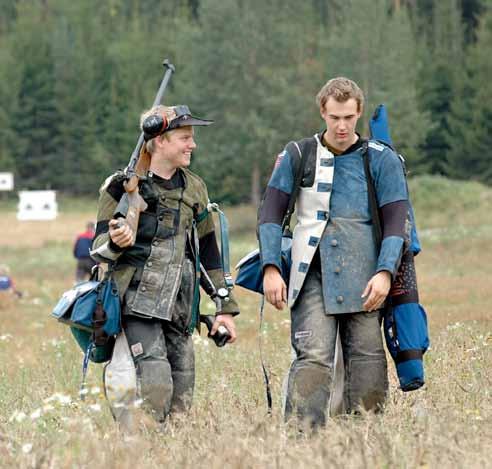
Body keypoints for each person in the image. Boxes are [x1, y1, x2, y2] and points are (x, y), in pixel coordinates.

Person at [258, 77, 410, 428]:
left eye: (348, 117)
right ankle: (301, 444)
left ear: (358, 113)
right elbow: (270, 214)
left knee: (368, 359)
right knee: (312, 358)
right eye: (334, 117)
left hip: (368, 276)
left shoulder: (382, 159)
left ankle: (365, 439)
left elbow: (397, 223)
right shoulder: (298, 154)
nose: (341, 126)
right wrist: (270, 268)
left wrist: (385, 272)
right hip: (311, 273)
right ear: (322, 113)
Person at [91, 104, 239, 424]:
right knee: (155, 382)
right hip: (135, 301)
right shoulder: (120, 186)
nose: (192, 145)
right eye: (185, 137)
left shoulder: (195, 187)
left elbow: (210, 253)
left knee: (183, 387)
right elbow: (98, 247)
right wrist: (116, 241)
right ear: (159, 142)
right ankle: (144, 449)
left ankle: (174, 450)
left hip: (181, 304)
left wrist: (224, 307)